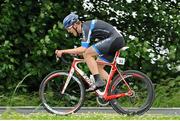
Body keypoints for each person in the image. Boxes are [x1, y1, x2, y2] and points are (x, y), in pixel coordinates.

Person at [55, 13, 125, 92]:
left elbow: (83, 49)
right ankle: (114, 90)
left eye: (68, 28)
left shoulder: (85, 27)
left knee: (87, 54)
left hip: (114, 39)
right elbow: (84, 49)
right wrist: (76, 52)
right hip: (114, 40)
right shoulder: (85, 28)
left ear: (74, 25)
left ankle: (98, 81)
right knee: (98, 66)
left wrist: (63, 51)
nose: (68, 31)